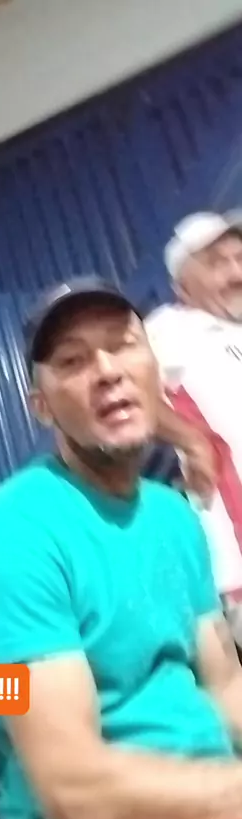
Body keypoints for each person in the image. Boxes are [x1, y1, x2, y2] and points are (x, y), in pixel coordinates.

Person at [0, 276, 242, 819]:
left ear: (154, 373)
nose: (107, 370)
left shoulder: (174, 516)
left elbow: (227, 685)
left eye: (123, 344)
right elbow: (76, 791)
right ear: (41, 407)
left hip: (214, 803)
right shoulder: (13, 533)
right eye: (72, 360)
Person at [145, 212, 242, 624]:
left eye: (240, 259)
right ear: (182, 286)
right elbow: (128, 391)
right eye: (217, 263)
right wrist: (189, 439)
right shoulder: (170, 329)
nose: (237, 273)